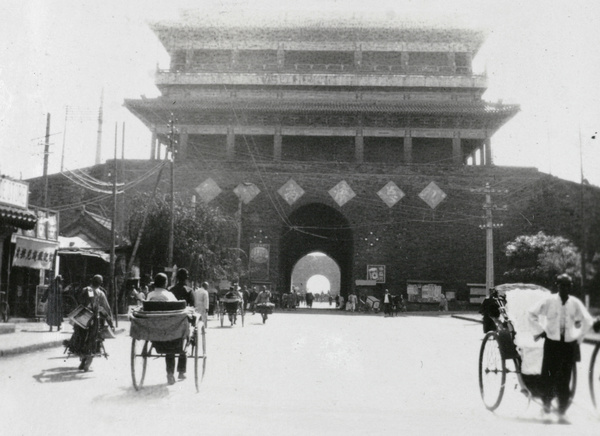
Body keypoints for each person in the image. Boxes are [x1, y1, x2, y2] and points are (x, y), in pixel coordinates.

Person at [528, 273, 595, 421]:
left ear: (570, 287)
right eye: (561, 285)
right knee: (548, 376)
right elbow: (531, 314)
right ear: (557, 286)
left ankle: (562, 411)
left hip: (568, 346)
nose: (564, 288)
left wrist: (578, 336)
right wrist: (541, 331)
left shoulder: (575, 303)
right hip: (552, 344)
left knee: (565, 378)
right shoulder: (549, 301)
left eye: (567, 285)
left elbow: (587, 320)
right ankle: (546, 406)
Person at [64, 274, 114, 372]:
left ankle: (82, 362)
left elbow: (79, 302)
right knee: (93, 341)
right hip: (93, 320)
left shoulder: (85, 289)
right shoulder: (100, 293)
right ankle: (87, 365)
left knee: (81, 338)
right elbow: (106, 308)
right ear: (100, 283)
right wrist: (110, 321)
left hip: (81, 317)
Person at [147, 273, 186, 385]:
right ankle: (170, 374)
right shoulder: (169, 295)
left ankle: (170, 373)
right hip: (169, 329)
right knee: (171, 348)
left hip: (153, 328)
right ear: (165, 283)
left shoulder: (150, 295)